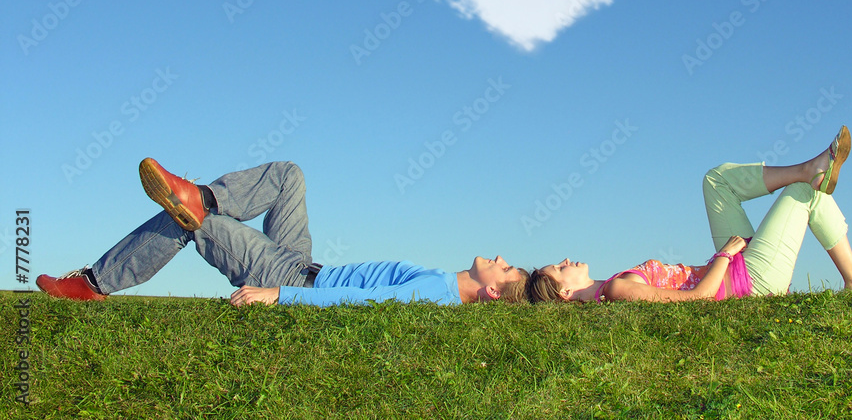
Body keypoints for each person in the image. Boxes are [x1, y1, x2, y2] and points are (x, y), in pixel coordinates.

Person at [37, 159, 527, 306]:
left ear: (490, 288)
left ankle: (93, 284)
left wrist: (279, 297)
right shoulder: (443, 285)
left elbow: (362, 303)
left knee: (195, 225)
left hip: (290, 279)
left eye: (505, 268)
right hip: (302, 261)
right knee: (289, 175)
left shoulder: (440, 292)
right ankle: (202, 194)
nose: (499, 256)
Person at [526, 126, 852, 303]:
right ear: (565, 294)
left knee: (716, 180)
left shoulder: (611, 285)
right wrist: (725, 256)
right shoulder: (618, 290)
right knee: (805, 194)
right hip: (748, 283)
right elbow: (697, 302)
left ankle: (807, 168)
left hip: (735, 271)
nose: (566, 260)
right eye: (559, 268)